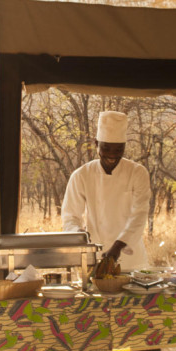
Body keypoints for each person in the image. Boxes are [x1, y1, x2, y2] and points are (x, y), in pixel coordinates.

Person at [61, 110, 152, 272]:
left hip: (131, 258)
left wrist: (117, 247)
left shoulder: (138, 173)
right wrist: (79, 236)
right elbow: (70, 216)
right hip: (95, 257)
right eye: (106, 148)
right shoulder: (82, 175)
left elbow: (140, 214)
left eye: (118, 150)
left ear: (124, 147)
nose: (112, 155)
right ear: (96, 144)